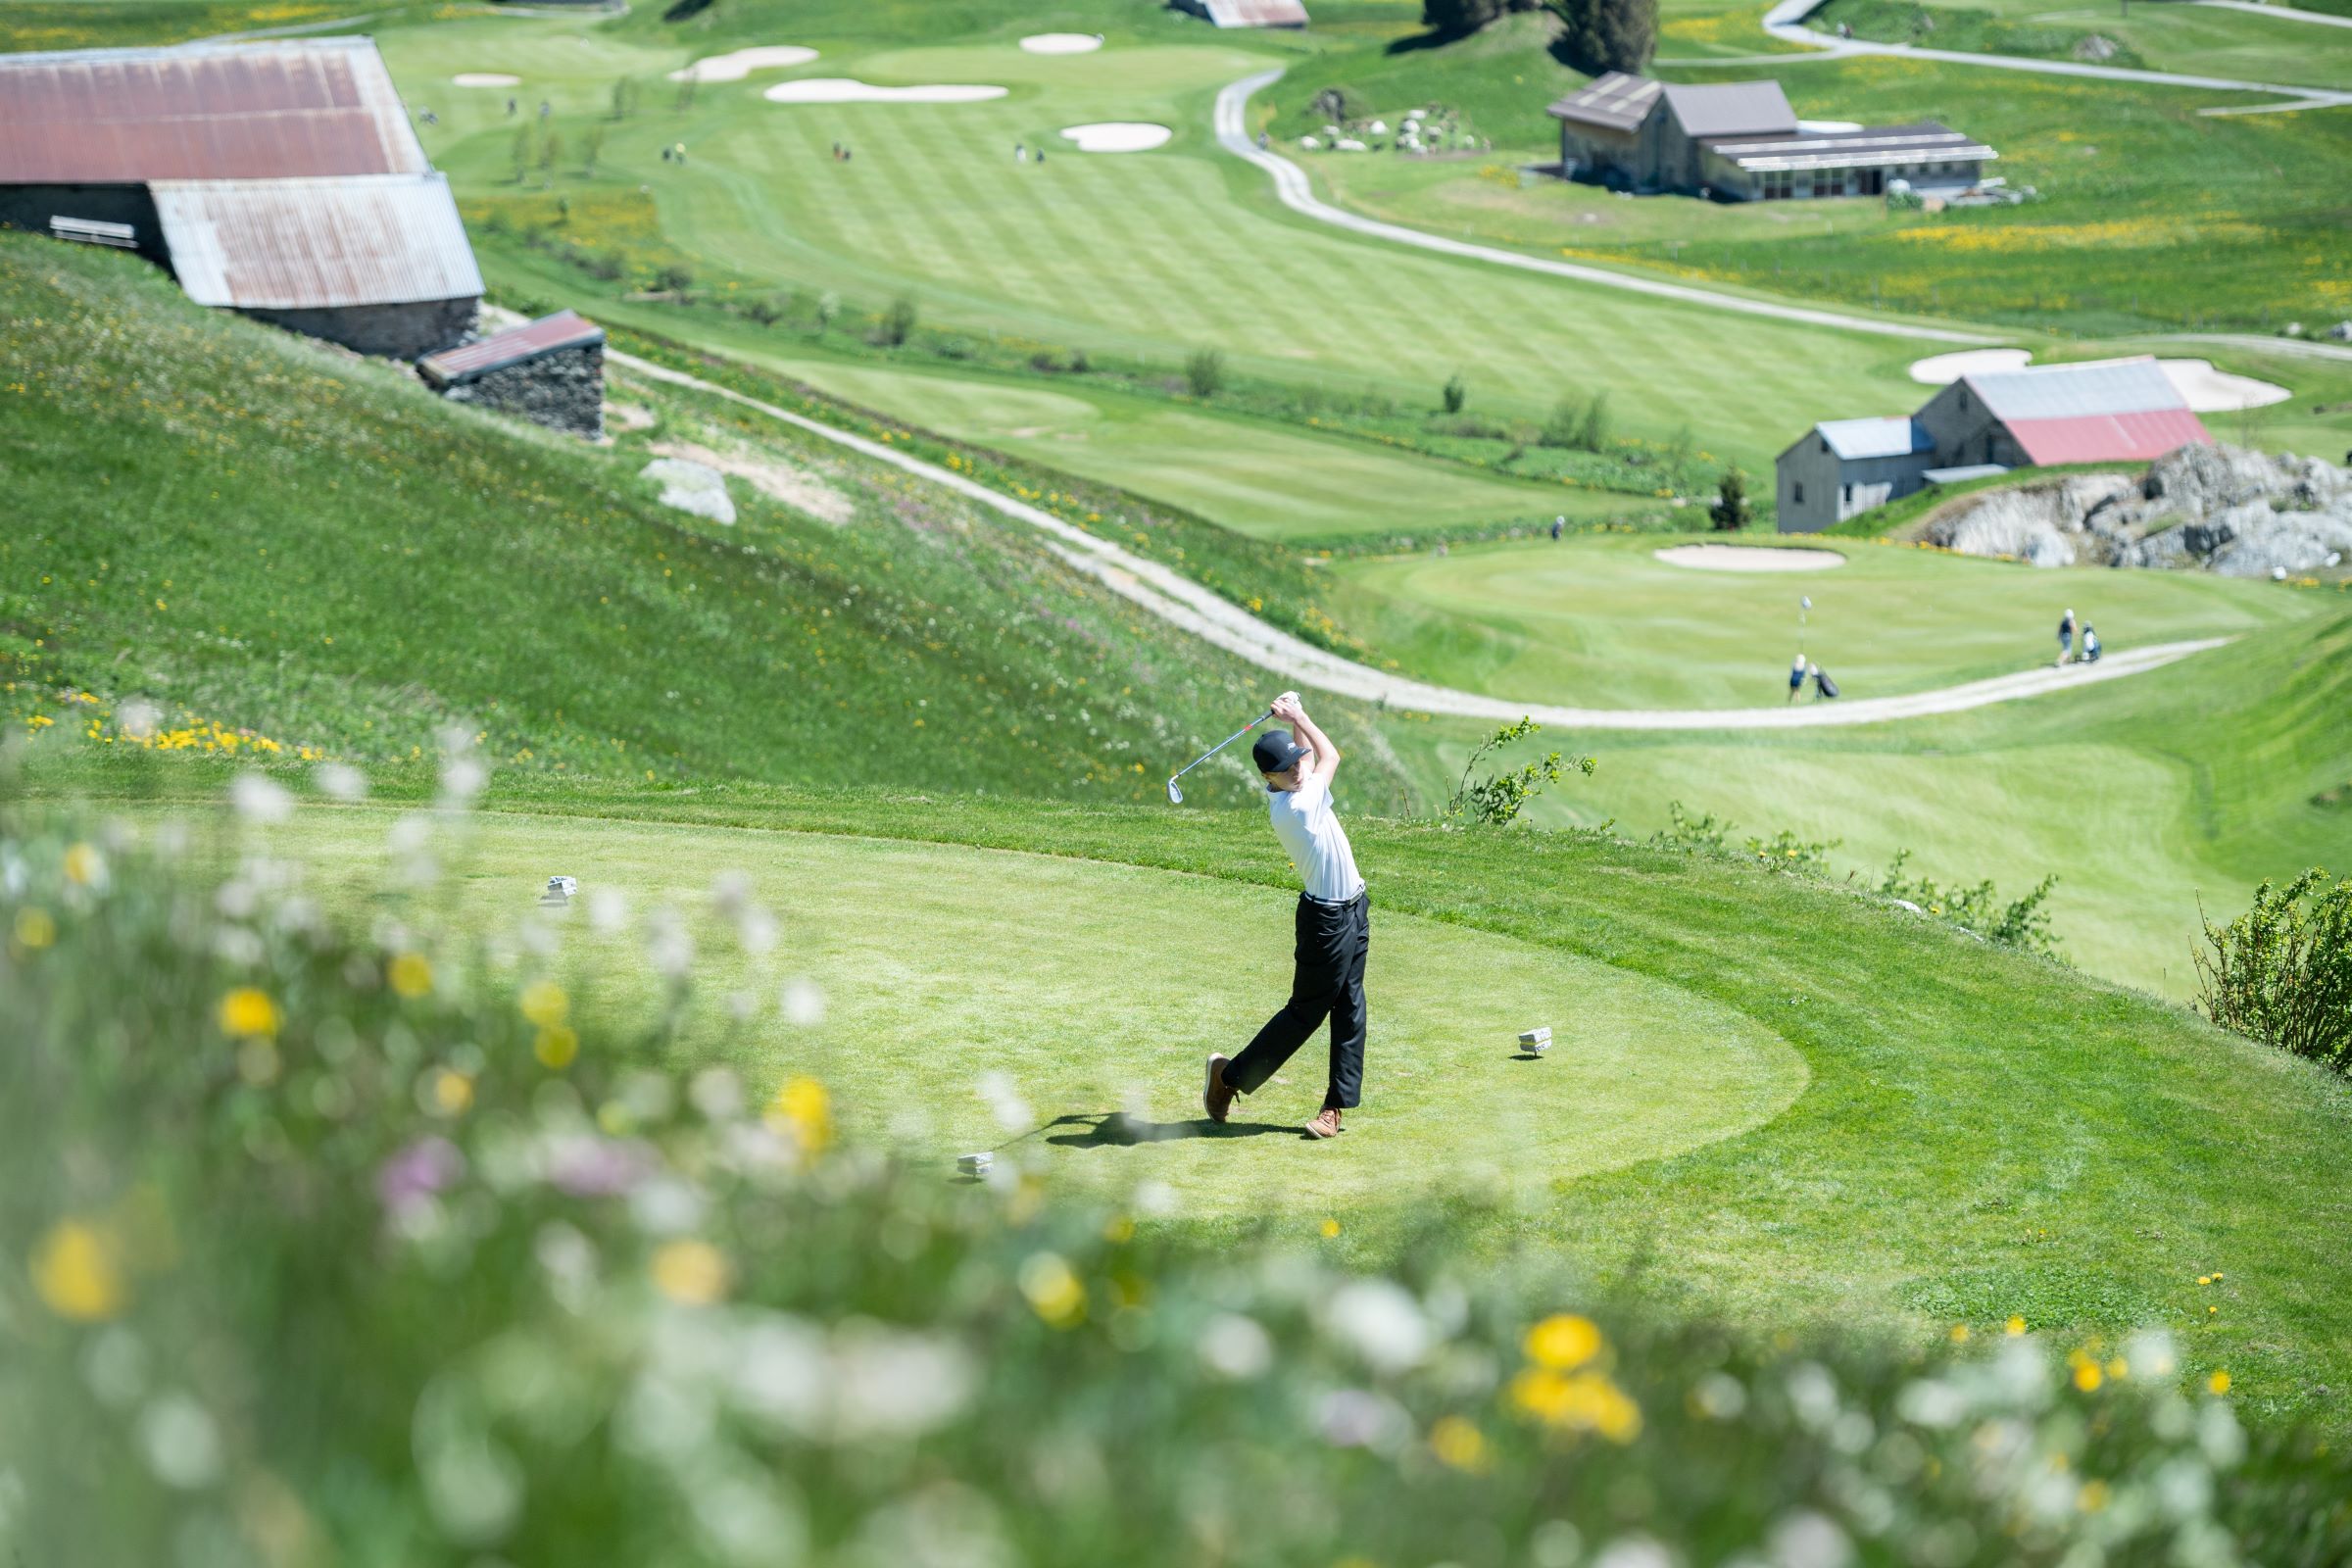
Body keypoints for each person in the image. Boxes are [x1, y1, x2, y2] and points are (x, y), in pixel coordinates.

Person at [1203, 694, 1368, 1141]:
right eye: (1286, 768)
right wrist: (1301, 716)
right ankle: (1228, 1078)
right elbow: (1329, 756)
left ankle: (1335, 1107)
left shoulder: (1299, 787)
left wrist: (1294, 718)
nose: (1297, 770)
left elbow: (1309, 759)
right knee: (1304, 1015)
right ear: (1267, 777)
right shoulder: (1296, 808)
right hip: (1326, 923)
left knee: (1351, 1008)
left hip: (1356, 907)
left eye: (1296, 762)